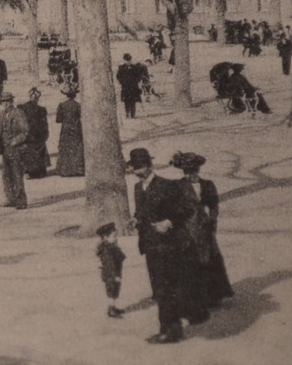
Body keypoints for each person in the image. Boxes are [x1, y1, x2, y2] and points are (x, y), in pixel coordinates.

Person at [129, 147, 205, 344]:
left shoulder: (166, 185)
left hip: (169, 245)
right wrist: (136, 220)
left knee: (166, 288)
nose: (138, 171)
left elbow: (187, 209)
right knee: (160, 288)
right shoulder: (137, 189)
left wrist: (169, 222)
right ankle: (176, 324)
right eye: (135, 168)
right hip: (150, 245)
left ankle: (169, 330)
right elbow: (141, 212)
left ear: (150, 165)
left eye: (142, 167)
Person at [172, 151, 234, 308]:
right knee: (190, 262)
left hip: (204, 227)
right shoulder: (177, 186)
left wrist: (212, 221)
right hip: (186, 227)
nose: (190, 175)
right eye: (187, 172)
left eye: (193, 171)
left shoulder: (208, 185)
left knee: (210, 260)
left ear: (198, 170)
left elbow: (214, 205)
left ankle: (214, 297)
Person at [0, 91, 31, 209]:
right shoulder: (2, 115)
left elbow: (25, 131)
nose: (5, 104)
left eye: (8, 101)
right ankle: (11, 198)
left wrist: (15, 141)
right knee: (6, 176)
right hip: (5, 150)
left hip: (16, 149)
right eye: (3, 102)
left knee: (17, 175)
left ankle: (21, 201)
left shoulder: (18, 113)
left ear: (11, 102)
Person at [95, 222, 126, 319]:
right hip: (110, 274)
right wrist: (114, 276)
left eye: (116, 236)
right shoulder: (106, 250)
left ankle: (113, 307)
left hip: (114, 273)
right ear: (105, 237)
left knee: (115, 290)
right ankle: (111, 309)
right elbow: (109, 265)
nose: (115, 238)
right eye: (113, 236)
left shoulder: (111, 246)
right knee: (112, 291)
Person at [19, 87, 51, 179]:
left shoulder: (40, 109)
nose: (35, 98)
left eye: (36, 97)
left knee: (34, 152)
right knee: (32, 152)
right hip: (32, 134)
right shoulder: (26, 107)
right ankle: (31, 172)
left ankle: (34, 171)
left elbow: (44, 122)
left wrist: (45, 133)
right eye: (34, 96)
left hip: (35, 134)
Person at [55, 86, 85, 176]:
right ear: (75, 95)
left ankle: (65, 170)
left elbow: (58, 120)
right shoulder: (78, 105)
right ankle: (78, 169)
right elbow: (81, 116)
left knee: (65, 148)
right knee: (77, 148)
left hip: (66, 129)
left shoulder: (62, 105)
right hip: (76, 128)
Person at [115, 53, 146, 119]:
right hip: (125, 87)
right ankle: (127, 113)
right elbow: (118, 76)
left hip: (133, 87)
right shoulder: (122, 67)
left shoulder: (135, 67)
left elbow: (139, 75)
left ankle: (133, 114)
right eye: (126, 60)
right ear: (124, 60)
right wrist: (122, 82)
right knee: (126, 101)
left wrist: (136, 81)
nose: (128, 61)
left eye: (129, 60)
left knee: (133, 101)